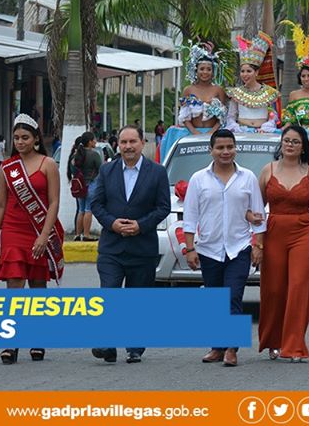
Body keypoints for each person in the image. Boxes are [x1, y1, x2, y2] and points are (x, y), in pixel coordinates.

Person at [182, 129, 265, 367]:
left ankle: (231, 348)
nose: (225, 152)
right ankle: (217, 347)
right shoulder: (199, 179)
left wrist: (258, 245)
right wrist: (190, 249)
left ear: (235, 149)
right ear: (211, 150)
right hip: (209, 249)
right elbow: (190, 216)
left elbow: (259, 215)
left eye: (230, 147)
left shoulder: (248, 177)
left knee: (233, 296)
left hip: (239, 248)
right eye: (220, 148)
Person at [89, 125, 171, 364]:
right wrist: (112, 223)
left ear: (142, 143)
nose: (128, 147)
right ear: (118, 145)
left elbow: (163, 207)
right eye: (123, 142)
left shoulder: (157, 172)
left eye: (132, 141)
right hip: (111, 248)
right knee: (109, 294)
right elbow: (96, 204)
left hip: (142, 248)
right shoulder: (107, 170)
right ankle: (106, 343)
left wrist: (141, 225)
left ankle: (135, 347)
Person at [0, 114, 62, 364]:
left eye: (25, 137)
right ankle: (11, 341)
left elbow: (54, 202)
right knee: (14, 286)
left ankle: (37, 337)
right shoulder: (7, 167)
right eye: (17, 138)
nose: (20, 142)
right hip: (12, 229)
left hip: (38, 228)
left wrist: (44, 235)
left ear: (36, 139)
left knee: (38, 287)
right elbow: (0, 204)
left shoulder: (48, 164)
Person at [257, 126, 309, 362]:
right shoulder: (267, 170)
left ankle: (294, 345)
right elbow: (257, 208)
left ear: (303, 147)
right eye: (287, 140)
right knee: (274, 289)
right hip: (274, 231)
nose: (290, 145)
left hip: (303, 231)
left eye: (295, 142)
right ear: (281, 143)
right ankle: (273, 341)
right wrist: (256, 240)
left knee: (299, 286)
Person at [165, 44, 228, 161]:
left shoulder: (218, 90)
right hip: (191, 133)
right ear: (196, 70)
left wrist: (211, 132)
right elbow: (184, 117)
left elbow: (223, 117)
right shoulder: (188, 90)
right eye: (202, 69)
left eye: (209, 69)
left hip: (214, 133)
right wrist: (195, 132)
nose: (205, 72)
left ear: (213, 72)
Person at [227, 34, 278, 133]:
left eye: (249, 71)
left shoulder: (269, 92)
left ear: (256, 72)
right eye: (242, 71)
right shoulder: (236, 93)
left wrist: (267, 126)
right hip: (241, 132)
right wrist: (236, 127)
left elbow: (273, 115)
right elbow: (231, 116)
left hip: (263, 132)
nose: (245, 74)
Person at [69, 132, 102, 241]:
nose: (95, 142)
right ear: (90, 142)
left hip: (79, 186)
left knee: (81, 210)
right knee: (88, 210)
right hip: (90, 185)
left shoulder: (76, 155)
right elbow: (101, 169)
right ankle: (86, 235)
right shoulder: (94, 155)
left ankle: (78, 234)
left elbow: (72, 169)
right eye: (94, 140)